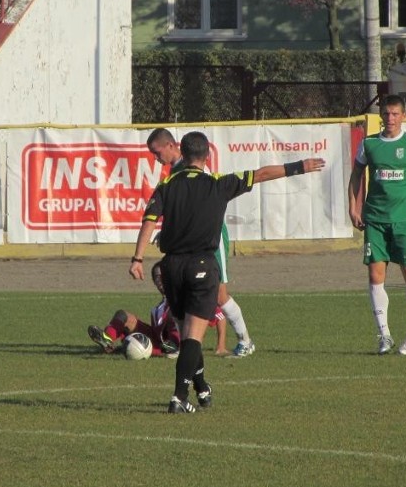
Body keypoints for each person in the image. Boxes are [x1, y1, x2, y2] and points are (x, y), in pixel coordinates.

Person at [130, 131, 325, 413]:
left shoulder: (167, 185)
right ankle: (179, 397)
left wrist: (137, 258)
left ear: (182, 154)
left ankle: (202, 388)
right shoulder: (219, 184)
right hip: (200, 265)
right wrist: (298, 167)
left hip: (170, 267)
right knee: (193, 338)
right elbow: (260, 174)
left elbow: (148, 222)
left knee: (188, 334)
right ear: (207, 155)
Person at [146, 127, 255, 357]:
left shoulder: (191, 166)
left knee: (220, 295)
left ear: (171, 146)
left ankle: (245, 340)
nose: (156, 159)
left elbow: (202, 204)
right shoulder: (175, 172)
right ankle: (184, 345)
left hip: (210, 236)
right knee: (186, 291)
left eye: (157, 153)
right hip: (191, 241)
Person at [348, 94, 406, 356]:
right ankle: (384, 335)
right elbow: (355, 176)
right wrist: (354, 207)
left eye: (395, 114)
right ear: (381, 116)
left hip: (403, 222)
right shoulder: (370, 144)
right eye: (386, 114)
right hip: (375, 220)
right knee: (375, 276)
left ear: (404, 116)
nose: (390, 119)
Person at [88, 261, 227, 357]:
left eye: (162, 276)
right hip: (159, 343)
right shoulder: (158, 308)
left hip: (181, 345)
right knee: (123, 315)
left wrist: (220, 346)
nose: (159, 280)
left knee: (174, 313)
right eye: (156, 278)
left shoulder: (187, 296)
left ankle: (175, 346)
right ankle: (107, 339)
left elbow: (219, 315)